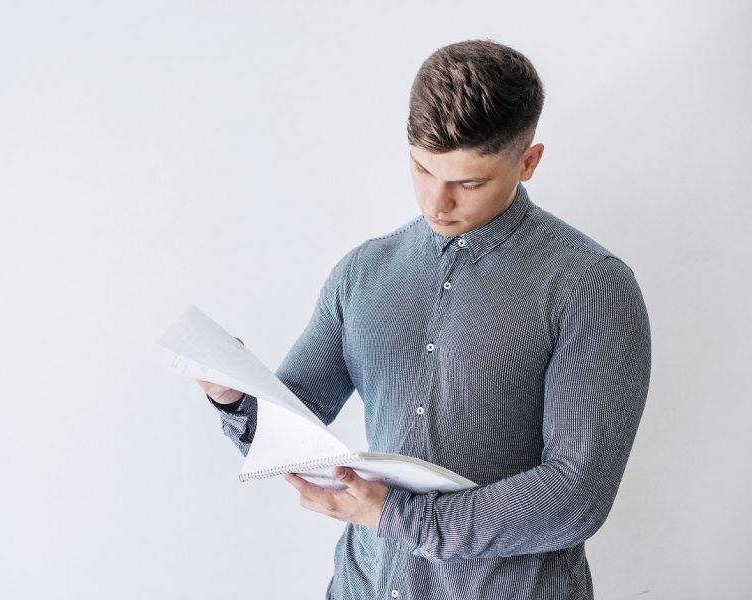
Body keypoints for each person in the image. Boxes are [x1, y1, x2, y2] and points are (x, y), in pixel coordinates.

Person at [197, 39, 651, 600]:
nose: (437, 201)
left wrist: (397, 517)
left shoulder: (591, 287)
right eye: (421, 168)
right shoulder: (363, 271)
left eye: (469, 182)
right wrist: (233, 395)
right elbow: (294, 437)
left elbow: (574, 497)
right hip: (364, 586)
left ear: (528, 162)